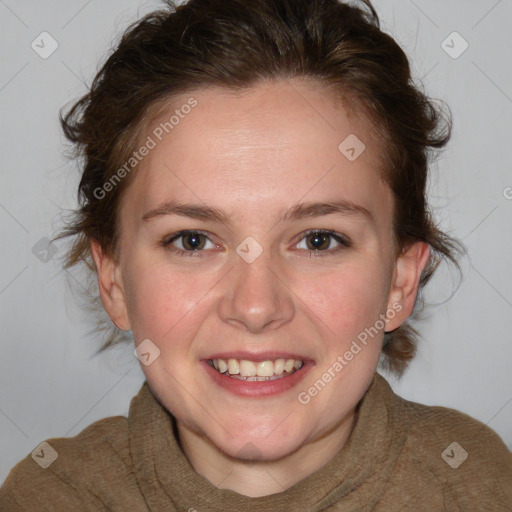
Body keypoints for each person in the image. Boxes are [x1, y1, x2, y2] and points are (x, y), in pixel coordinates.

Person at [1, 0, 511, 510]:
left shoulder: (474, 485)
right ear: (113, 280)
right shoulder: (52, 496)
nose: (255, 307)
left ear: (399, 283)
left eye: (318, 240)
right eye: (193, 241)